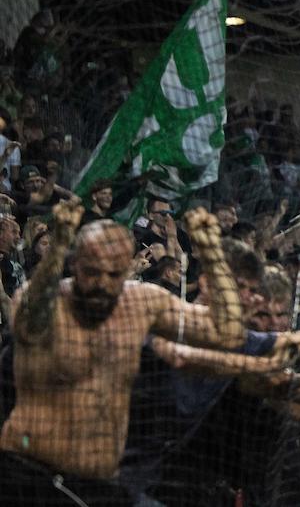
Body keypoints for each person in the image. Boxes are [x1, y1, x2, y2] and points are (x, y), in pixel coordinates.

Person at [0, 203, 248, 506]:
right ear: (75, 264)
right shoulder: (47, 308)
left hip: (101, 484)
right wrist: (57, 248)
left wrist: (211, 251)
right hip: (28, 478)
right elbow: (25, 324)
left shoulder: (143, 309)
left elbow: (229, 331)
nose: (103, 283)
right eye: (93, 271)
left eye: (114, 273)